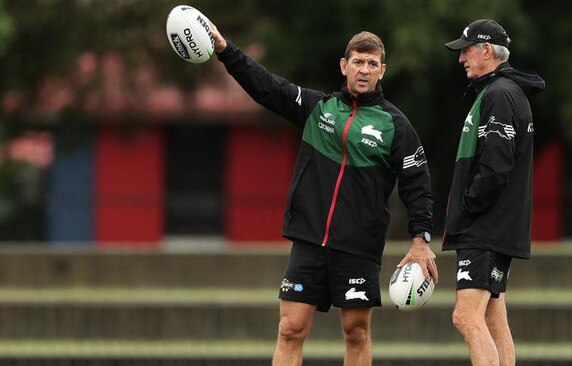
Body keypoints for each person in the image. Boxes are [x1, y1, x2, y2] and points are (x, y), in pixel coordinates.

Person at [208, 23, 438, 366]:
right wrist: (226, 50)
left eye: (372, 64)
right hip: (310, 239)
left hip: (358, 244)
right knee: (290, 328)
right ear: (344, 66)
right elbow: (266, 87)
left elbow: (417, 183)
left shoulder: (396, 126)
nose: (364, 70)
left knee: (356, 332)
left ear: (382, 71)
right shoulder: (319, 109)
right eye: (358, 62)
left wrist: (420, 239)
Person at [442, 19, 545, 366]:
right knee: (492, 318)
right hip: (495, 226)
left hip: (485, 226)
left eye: (467, 51)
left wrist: (467, 208)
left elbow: (495, 168)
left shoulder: (500, 94)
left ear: (486, 51)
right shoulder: (503, 91)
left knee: (465, 316)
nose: (461, 59)